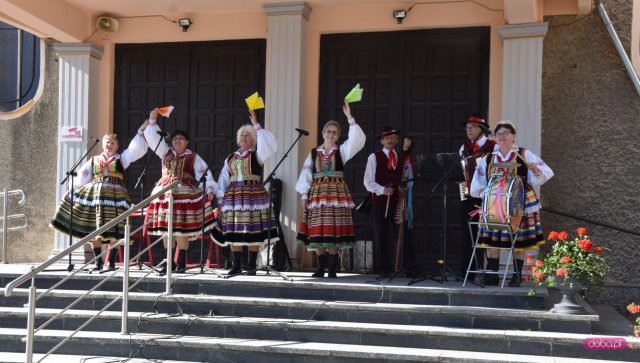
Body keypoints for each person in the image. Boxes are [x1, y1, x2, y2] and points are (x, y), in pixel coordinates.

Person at [51, 122, 149, 271]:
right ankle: (98, 262)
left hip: (115, 197)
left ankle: (111, 262)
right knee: (94, 230)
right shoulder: (94, 160)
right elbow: (82, 177)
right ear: (103, 144)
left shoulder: (122, 158)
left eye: (113, 143)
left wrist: (141, 131)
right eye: (107, 142)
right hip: (95, 197)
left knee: (115, 230)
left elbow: (135, 149)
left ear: (117, 146)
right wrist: (71, 190)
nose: (109, 145)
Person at [470, 121, 554, 286]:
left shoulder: (524, 154)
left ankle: (517, 276)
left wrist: (536, 170)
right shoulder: (488, 157)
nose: (502, 137)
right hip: (495, 204)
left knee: (519, 240)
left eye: (506, 133)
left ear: (513, 136)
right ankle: (492, 275)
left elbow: (545, 172)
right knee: (492, 238)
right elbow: (478, 180)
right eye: (499, 134)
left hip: (520, 203)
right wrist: (484, 194)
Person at [296, 100, 366, 278]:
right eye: (328, 131)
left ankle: (333, 268)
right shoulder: (313, 153)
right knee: (318, 229)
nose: (331, 134)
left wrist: (349, 117)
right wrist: (304, 196)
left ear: (338, 136)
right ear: (323, 133)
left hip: (336, 194)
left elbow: (357, 140)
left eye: (334, 132)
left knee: (333, 229)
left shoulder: (342, 151)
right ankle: (320, 268)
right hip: (318, 194)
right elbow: (305, 175)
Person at [144, 110, 216, 274]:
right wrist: (153, 120)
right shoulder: (165, 152)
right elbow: (153, 139)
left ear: (187, 142)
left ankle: (182, 261)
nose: (177, 141)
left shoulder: (193, 157)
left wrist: (210, 189)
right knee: (165, 229)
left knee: (181, 229)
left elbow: (205, 174)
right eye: (175, 139)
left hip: (184, 195)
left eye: (181, 139)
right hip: (164, 195)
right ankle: (169, 262)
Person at [211, 109, 278, 276]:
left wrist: (256, 124)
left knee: (253, 228)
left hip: (253, 195)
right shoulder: (231, 158)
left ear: (254, 139)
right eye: (241, 135)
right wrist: (220, 199)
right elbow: (223, 179)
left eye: (247, 135)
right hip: (233, 197)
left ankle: (251, 265)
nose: (243, 138)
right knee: (234, 229)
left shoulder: (258, 154)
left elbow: (270, 145)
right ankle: (237, 264)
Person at [458, 113, 495, 280]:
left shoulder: (492, 147)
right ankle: (468, 271)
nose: (469, 130)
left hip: (486, 197)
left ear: (482, 129)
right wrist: (461, 185)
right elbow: (459, 172)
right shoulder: (463, 148)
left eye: (472, 127)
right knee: (468, 233)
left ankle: (486, 271)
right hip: (468, 197)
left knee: (486, 234)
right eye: (467, 128)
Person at [364, 126, 403, 275]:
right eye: (387, 138)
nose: (390, 140)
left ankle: (398, 266)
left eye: (393, 138)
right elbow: (368, 182)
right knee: (381, 233)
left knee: (398, 234)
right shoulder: (374, 157)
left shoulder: (400, 157)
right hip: (380, 201)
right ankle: (383, 268)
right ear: (382, 141)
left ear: (397, 140)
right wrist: (382, 190)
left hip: (396, 200)